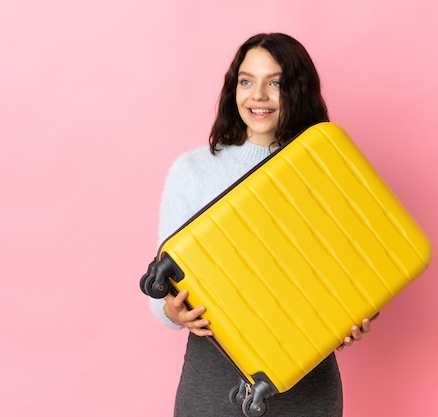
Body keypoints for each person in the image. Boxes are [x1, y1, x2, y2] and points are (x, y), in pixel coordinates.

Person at [148, 32, 376, 417]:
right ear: (233, 88)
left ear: (299, 91)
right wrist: (172, 312)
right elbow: (161, 293)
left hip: (307, 383)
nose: (258, 96)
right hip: (212, 381)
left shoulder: (328, 171)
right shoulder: (192, 171)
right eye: (247, 81)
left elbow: (352, 272)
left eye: (276, 83)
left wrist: (354, 316)